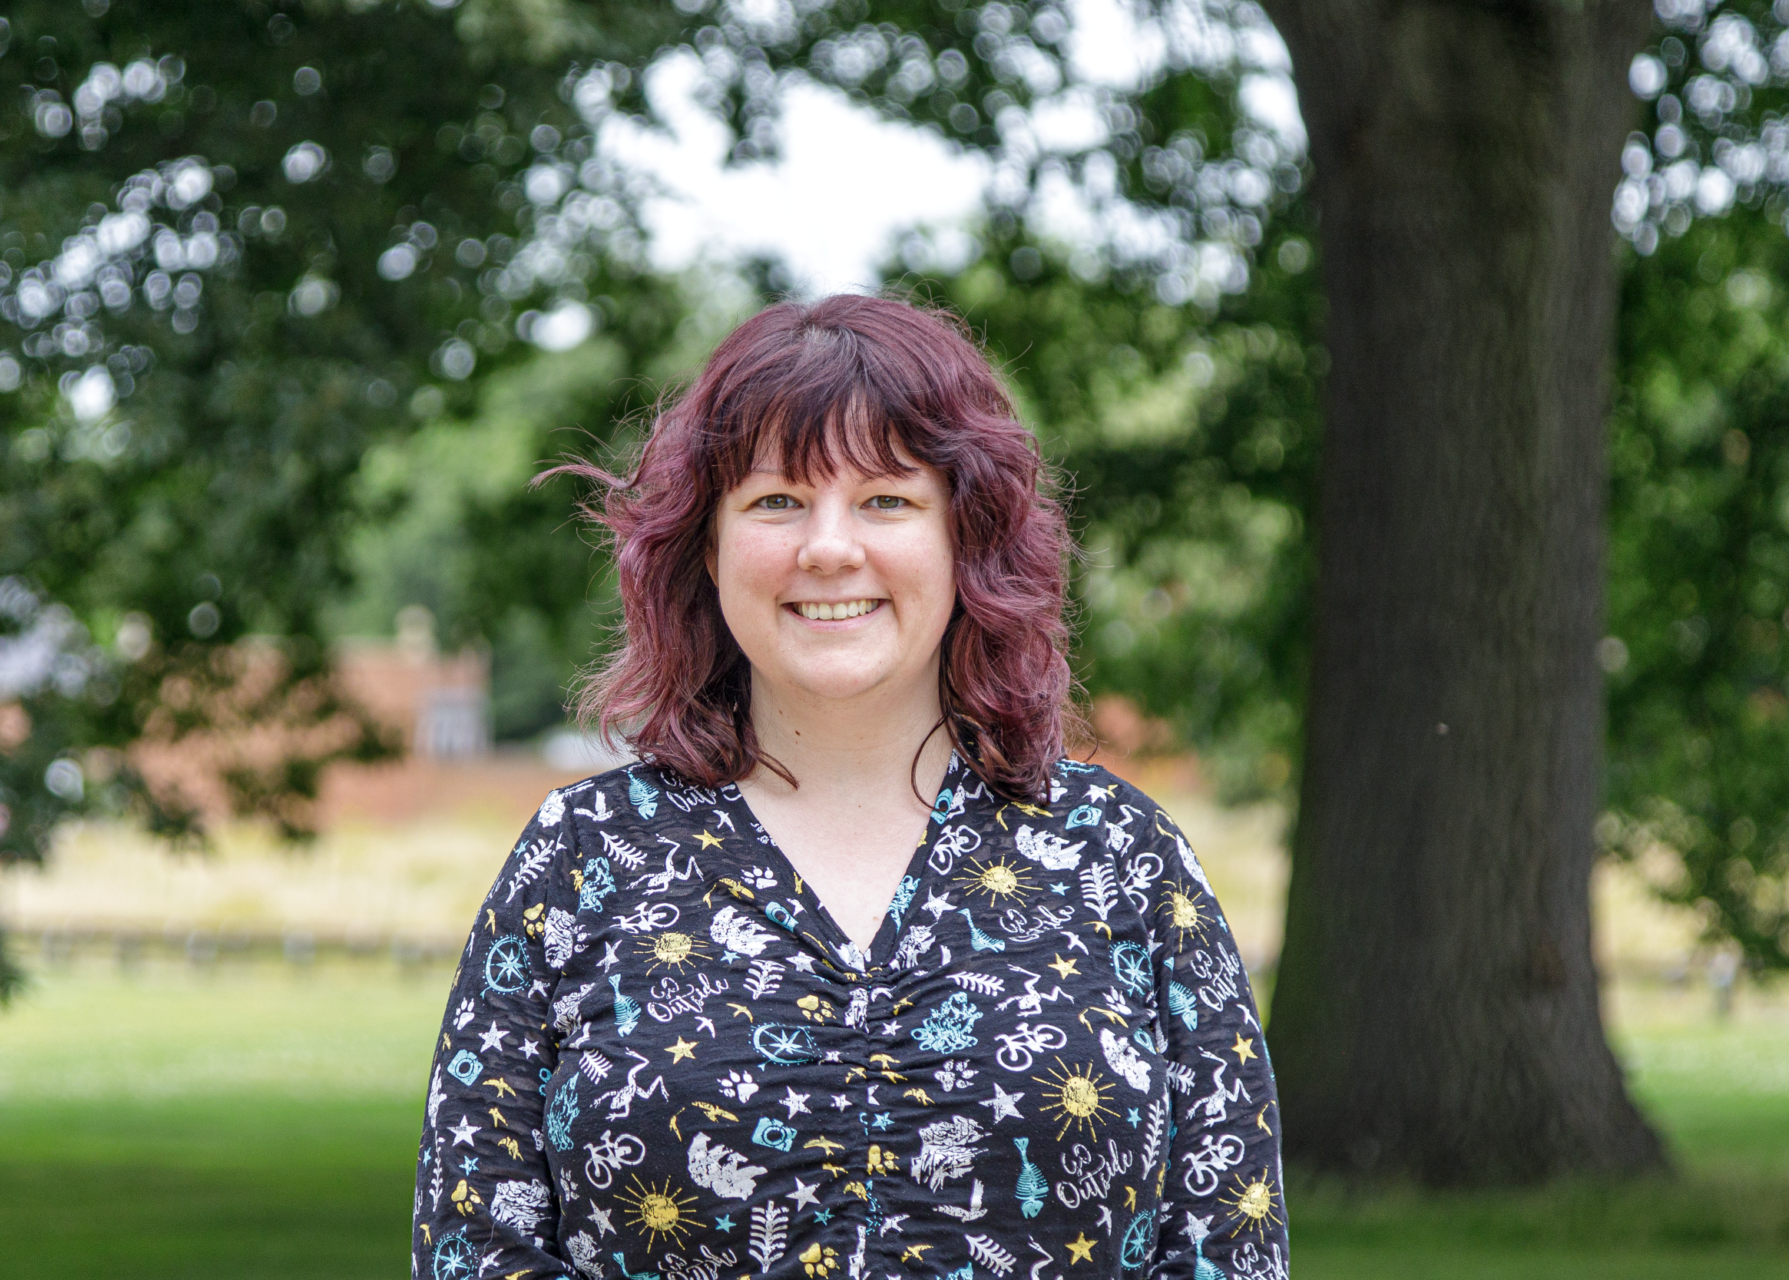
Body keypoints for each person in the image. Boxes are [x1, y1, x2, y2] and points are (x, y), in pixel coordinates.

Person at [411, 295, 1287, 1280]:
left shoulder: (1119, 855)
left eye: (886, 499)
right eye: (776, 499)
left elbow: (1228, 1243)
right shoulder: (581, 857)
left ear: (967, 538)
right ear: (708, 545)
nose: (829, 546)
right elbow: (479, 1245)